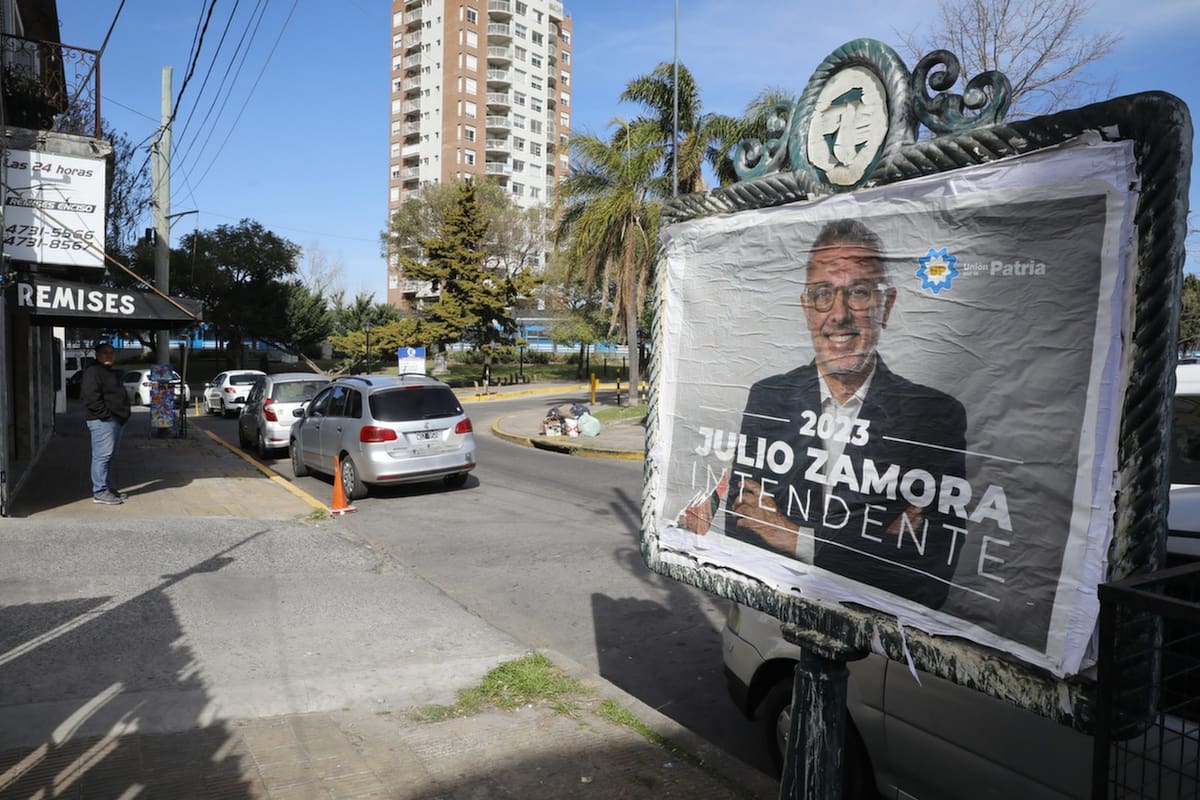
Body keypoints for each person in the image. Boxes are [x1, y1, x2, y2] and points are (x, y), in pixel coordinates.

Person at [679, 219, 967, 609]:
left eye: (859, 292)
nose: (839, 314)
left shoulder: (933, 416)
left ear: (886, 305)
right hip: (773, 615)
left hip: (879, 633)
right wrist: (876, 544)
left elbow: (927, 573)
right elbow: (744, 529)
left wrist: (795, 537)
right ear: (806, 308)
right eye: (823, 294)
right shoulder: (770, 398)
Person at [79, 342, 131, 505]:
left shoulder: (110, 372)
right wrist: (107, 416)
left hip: (116, 420)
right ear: (97, 355)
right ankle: (100, 491)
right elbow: (90, 398)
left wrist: (123, 415)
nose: (108, 355)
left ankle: (108, 488)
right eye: (104, 352)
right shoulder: (93, 372)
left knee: (110, 457)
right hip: (103, 421)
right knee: (102, 456)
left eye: (111, 352)